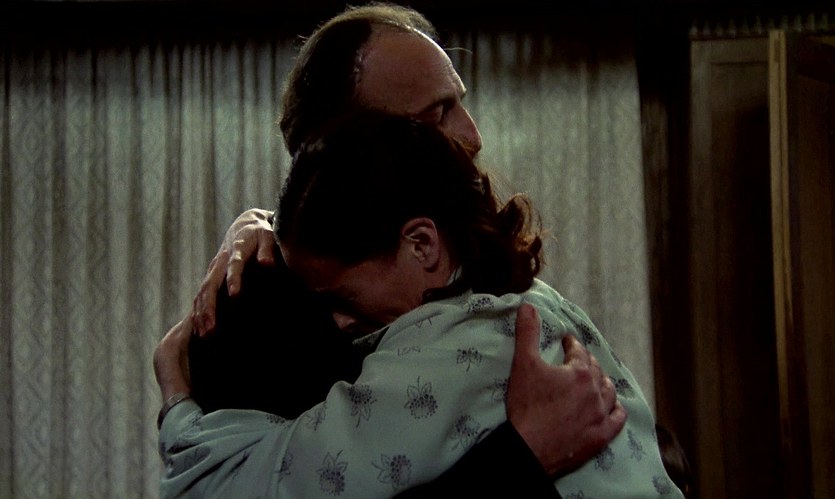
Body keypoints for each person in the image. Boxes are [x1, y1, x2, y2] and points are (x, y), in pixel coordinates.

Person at [163, 1, 625, 494]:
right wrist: (524, 457)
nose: (473, 135)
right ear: (347, 147)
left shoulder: (471, 280)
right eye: (435, 114)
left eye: (458, 102)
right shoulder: (264, 318)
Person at [156, 111, 681, 498]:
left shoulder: (441, 353)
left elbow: (245, 484)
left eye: (340, 297)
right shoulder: (531, 299)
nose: (338, 322)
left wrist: (179, 407)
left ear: (421, 244)